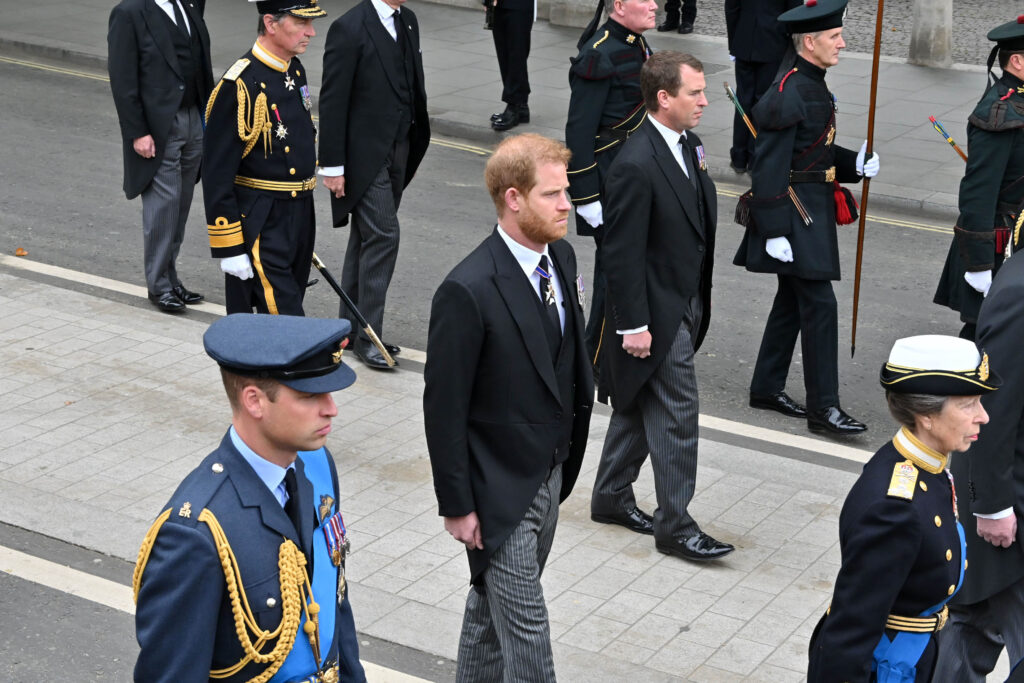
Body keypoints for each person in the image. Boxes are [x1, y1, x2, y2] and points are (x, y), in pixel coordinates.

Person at [423, 134, 594, 680]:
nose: (567, 204)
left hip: (549, 474)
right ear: (514, 199)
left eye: (565, 192)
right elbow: (444, 407)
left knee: (487, 614)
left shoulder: (561, 258)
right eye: (553, 195)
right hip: (497, 491)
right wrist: (457, 503)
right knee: (527, 631)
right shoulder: (468, 288)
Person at [133, 313, 365, 683]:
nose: (331, 408)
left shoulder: (317, 465)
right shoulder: (197, 533)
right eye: (309, 396)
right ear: (254, 401)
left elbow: (334, 606)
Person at [591, 51, 733, 563]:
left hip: (684, 298)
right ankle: (675, 525)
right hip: (655, 310)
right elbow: (620, 253)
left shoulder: (687, 145)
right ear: (663, 98)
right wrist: (632, 325)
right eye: (695, 92)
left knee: (638, 399)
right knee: (677, 412)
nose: (705, 100)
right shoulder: (635, 163)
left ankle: (610, 495)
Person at [807, 334, 999, 682]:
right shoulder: (894, 508)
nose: (982, 416)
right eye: (969, 404)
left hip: (916, 651)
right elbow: (851, 631)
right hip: (887, 666)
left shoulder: (927, 466)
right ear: (926, 415)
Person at [733, 0, 880, 436]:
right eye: (834, 37)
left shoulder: (811, 84)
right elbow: (769, 165)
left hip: (809, 205)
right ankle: (824, 410)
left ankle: (766, 386)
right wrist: (775, 230)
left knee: (792, 303)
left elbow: (813, 148)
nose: (842, 43)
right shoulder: (790, 92)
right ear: (810, 42)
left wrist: (855, 164)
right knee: (819, 305)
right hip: (794, 213)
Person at [319, 0, 430, 370]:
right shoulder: (349, 27)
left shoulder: (408, 21)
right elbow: (333, 101)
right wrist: (332, 166)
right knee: (384, 236)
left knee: (366, 238)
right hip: (363, 158)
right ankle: (369, 337)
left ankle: (348, 330)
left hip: (400, 148)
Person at [933, 245, 1024, 681]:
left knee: (971, 628)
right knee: (972, 625)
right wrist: (991, 505)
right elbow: (992, 408)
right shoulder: (1021, 289)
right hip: (1011, 502)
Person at [202, 0, 326, 316]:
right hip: (262, 219)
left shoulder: (293, 68)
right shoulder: (239, 85)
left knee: (287, 306)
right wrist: (229, 247)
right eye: (301, 23)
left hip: (298, 213)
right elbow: (217, 174)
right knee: (285, 321)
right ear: (271, 24)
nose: (311, 32)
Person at [565, 0, 655, 384]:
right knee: (615, 270)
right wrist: (585, 196)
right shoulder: (598, 55)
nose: (655, 6)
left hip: (631, 174)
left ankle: (605, 352)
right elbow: (579, 131)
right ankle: (595, 358)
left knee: (626, 265)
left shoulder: (635, 43)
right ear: (619, 6)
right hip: (609, 178)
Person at [107, 0, 213, 313]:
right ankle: (159, 285)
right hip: (159, 127)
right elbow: (123, 78)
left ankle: (171, 277)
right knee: (163, 207)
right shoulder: (129, 13)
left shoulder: (189, 4)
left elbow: (197, 60)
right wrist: (137, 132)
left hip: (195, 119)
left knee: (180, 206)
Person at [934, 17, 1024, 341]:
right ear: (1017, 61)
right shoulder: (997, 115)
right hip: (1001, 245)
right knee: (985, 333)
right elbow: (978, 193)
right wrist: (978, 265)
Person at [724, 0, 801, 174]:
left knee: (743, 100)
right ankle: (754, 156)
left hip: (744, 41)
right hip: (773, 42)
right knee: (763, 102)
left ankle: (739, 156)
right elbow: (795, 13)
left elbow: (732, 8)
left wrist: (734, 42)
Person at [487, 0, 533, 131]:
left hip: (518, 5)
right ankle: (521, 106)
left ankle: (514, 105)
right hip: (498, 5)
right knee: (504, 54)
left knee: (516, 54)